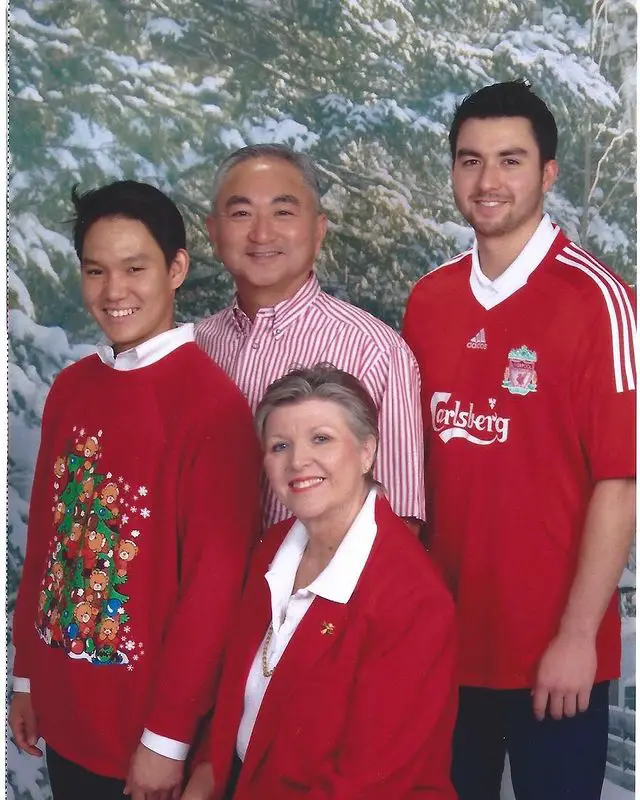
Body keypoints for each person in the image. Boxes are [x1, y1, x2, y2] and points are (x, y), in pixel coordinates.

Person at [402, 79, 636, 800]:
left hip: (553, 658)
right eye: (470, 161)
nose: (488, 180)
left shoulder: (601, 301)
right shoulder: (429, 299)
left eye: (510, 160)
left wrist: (574, 635)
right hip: (441, 650)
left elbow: (620, 482)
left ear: (548, 173)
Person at [9, 180, 262, 800]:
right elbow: (47, 537)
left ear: (176, 269)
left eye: (134, 268)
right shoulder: (73, 387)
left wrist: (167, 738)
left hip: (145, 730)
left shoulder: (211, 407)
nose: (113, 291)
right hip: (62, 700)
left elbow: (213, 589)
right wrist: (25, 676)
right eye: (95, 271)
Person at [181, 365, 457, 800]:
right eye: (280, 446)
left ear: (367, 451)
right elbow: (236, 701)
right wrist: (204, 778)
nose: (298, 461)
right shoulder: (272, 549)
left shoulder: (413, 600)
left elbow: (367, 785)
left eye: (321, 439)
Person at [195, 143, 424, 531]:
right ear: (213, 233)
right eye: (241, 213)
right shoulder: (194, 347)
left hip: (316, 590)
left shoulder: (374, 351)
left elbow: (397, 523)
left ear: (318, 231)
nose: (262, 232)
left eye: (283, 212)